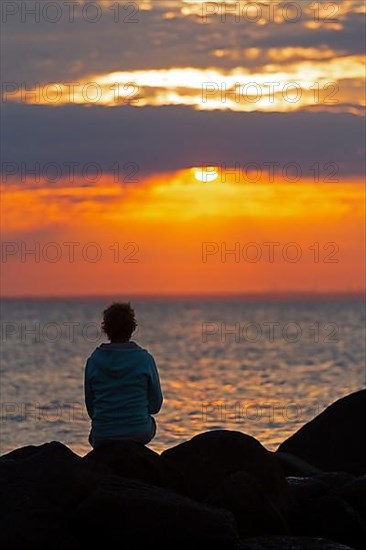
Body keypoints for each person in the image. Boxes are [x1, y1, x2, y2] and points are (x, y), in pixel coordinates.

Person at [84, 302, 163, 448]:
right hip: (139, 432)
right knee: (151, 422)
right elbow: (155, 406)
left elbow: (91, 410)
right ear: (132, 328)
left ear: (106, 329)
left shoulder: (93, 361)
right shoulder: (145, 359)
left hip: (103, 435)